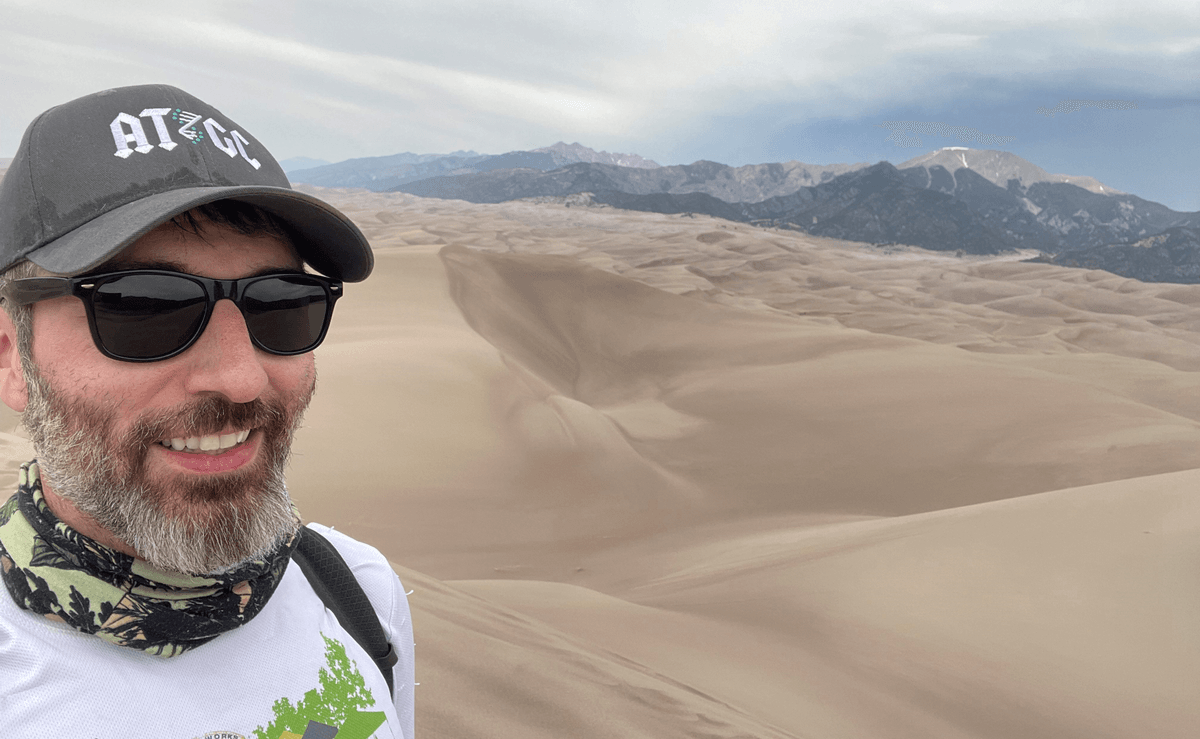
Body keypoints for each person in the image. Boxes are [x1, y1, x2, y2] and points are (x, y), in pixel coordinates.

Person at [0, 84, 414, 738]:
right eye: (143, 307)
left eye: (281, 302)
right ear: (10, 358)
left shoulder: (358, 592)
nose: (241, 379)